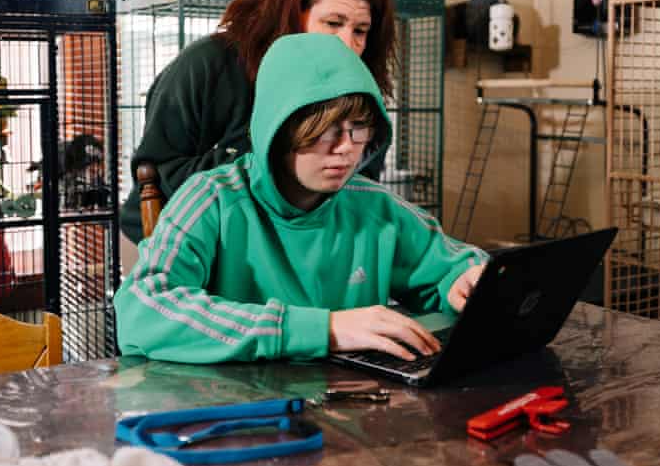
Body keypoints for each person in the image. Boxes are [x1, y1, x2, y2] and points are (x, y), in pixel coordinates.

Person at [114, 33, 487, 364]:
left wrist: (464, 280)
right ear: (278, 128)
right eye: (325, 130)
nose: (346, 149)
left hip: (353, 415)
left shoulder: (373, 206)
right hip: (238, 416)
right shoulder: (211, 199)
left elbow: (451, 265)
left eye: (358, 129)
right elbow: (142, 309)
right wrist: (323, 330)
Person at [120, 0, 397, 244]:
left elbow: (361, 194)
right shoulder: (208, 65)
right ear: (292, 14)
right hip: (172, 241)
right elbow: (156, 174)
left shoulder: (360, 90)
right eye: (333, 24)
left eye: (360, 31)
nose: (347, 45)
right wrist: (274, 161)